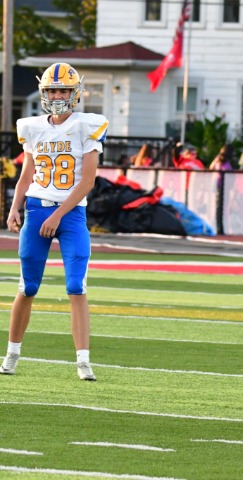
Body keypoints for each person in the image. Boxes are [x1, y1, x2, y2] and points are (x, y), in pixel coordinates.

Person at [0, 62, 109, 381]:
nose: (58, 96)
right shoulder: (33, 127)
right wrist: (14, 207)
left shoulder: (86, 126)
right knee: (27, 286)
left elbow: (87, 181)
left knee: (76, 286)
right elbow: (26, 176)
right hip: (37, 210)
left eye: (63, 90)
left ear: (75, 93)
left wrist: (58, 215)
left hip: (70, 214)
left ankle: (83, 361)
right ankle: (11, 354)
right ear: (43, 92)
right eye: (52, 90)